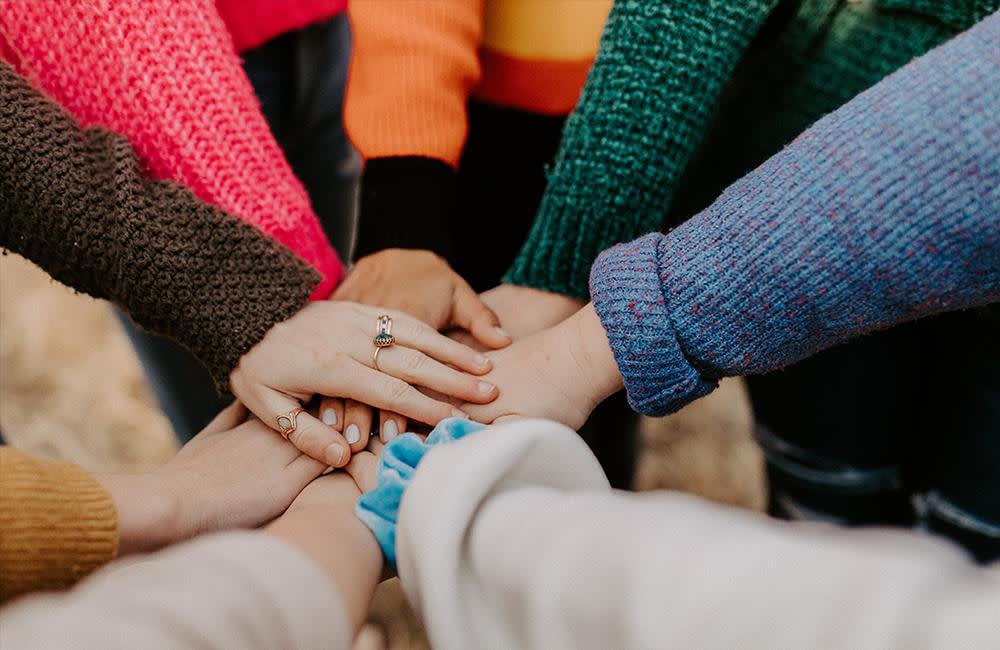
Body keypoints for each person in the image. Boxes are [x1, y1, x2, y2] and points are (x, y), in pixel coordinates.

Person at [0, 59, 497, 469]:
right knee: (261, 455)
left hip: (329, 36)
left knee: (330, 370)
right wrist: (238, 297)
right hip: (147, 93)